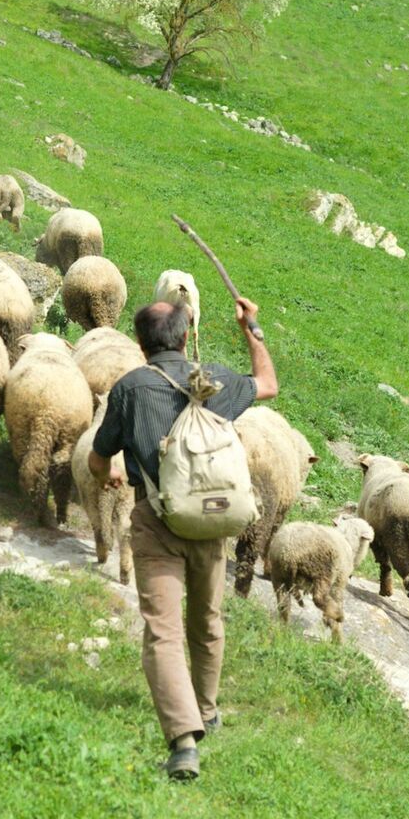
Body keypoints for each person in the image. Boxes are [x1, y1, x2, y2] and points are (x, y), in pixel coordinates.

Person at [87, 294, 278, 780]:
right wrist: (250, 328)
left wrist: (108, 471)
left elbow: (98, 455)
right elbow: (269, 384)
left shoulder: (129, 388)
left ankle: (183, 741)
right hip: (213, 520)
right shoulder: (210, 379)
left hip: (157, 520)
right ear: (186, 336)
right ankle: (207, 710)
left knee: (163, 631)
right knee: (207, 620)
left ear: (139, 343)